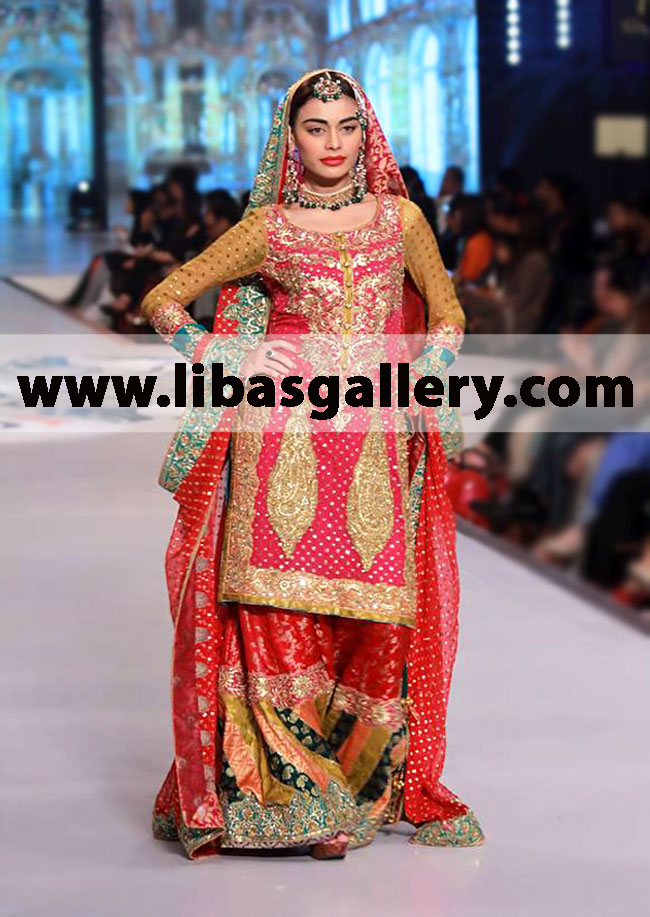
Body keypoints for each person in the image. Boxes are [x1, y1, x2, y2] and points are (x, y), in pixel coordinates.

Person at [140, 69, 484, 860]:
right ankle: (294, 793)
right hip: (281, 439)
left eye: (347, 126)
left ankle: (358, 784)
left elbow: (447, 310)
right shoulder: (268, 228)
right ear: (289, 137)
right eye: (316, 127)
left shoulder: (401, 220)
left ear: (367, 133)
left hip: (373, 442)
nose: (334, 143)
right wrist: (226, 356)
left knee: (378, 617)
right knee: (274, 608)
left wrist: (430, 364)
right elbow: (164, 296)